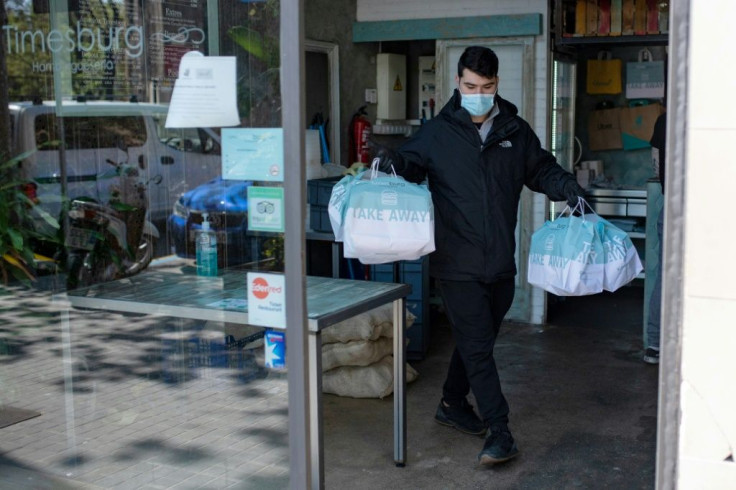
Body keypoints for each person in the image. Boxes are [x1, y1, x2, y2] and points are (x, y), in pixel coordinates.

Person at [372, 46, 585, 465]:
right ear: (458, 81)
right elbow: (409, 166)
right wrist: (389, 161)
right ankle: (500, 431)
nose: (478, 93)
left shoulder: (514, 130)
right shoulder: (437, 133)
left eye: (486, 87)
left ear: (496, 84)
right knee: (478, 347)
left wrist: (567, 187)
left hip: (501, 262)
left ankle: (452, 402)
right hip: (456, 263)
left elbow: (540, 169)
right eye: (471, 85)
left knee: (477, 343)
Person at [644, 111, 666, 364]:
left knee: (663, 274)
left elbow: (656, 165)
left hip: (669, 205)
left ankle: (655, 343)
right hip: (698, 208)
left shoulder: (663, 120)